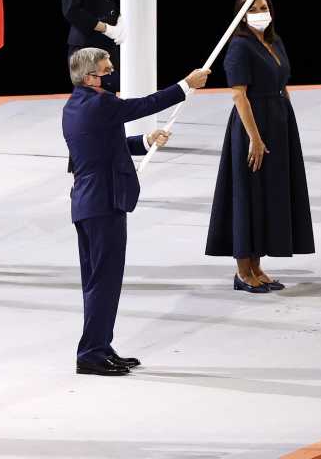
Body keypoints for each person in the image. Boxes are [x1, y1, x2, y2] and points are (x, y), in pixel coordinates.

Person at [62, 47, 210, 375]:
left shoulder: (75, 105)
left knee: (98, 281)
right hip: (103, 204)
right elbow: (144, 105)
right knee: (105, 281)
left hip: (87, 203)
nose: (111, 74)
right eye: (106, 70)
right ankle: (89, 354)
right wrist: (187, 85)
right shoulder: (100, 103)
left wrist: (144, 140)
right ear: (89, 77)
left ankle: (99, 346)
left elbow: (105, 145)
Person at [206, 0, 315, 292]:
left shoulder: (273, 42)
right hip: (251, 127)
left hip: (278, 122)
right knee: (248, 194)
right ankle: (243, 272)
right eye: (252, 9)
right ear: (242, 15)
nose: (260, 12)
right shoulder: (239, 47)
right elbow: (239, 95)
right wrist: (254, 138)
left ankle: (257, 265)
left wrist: (287, 124)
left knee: (269, 194)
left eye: (263, 6)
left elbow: (282, 83)